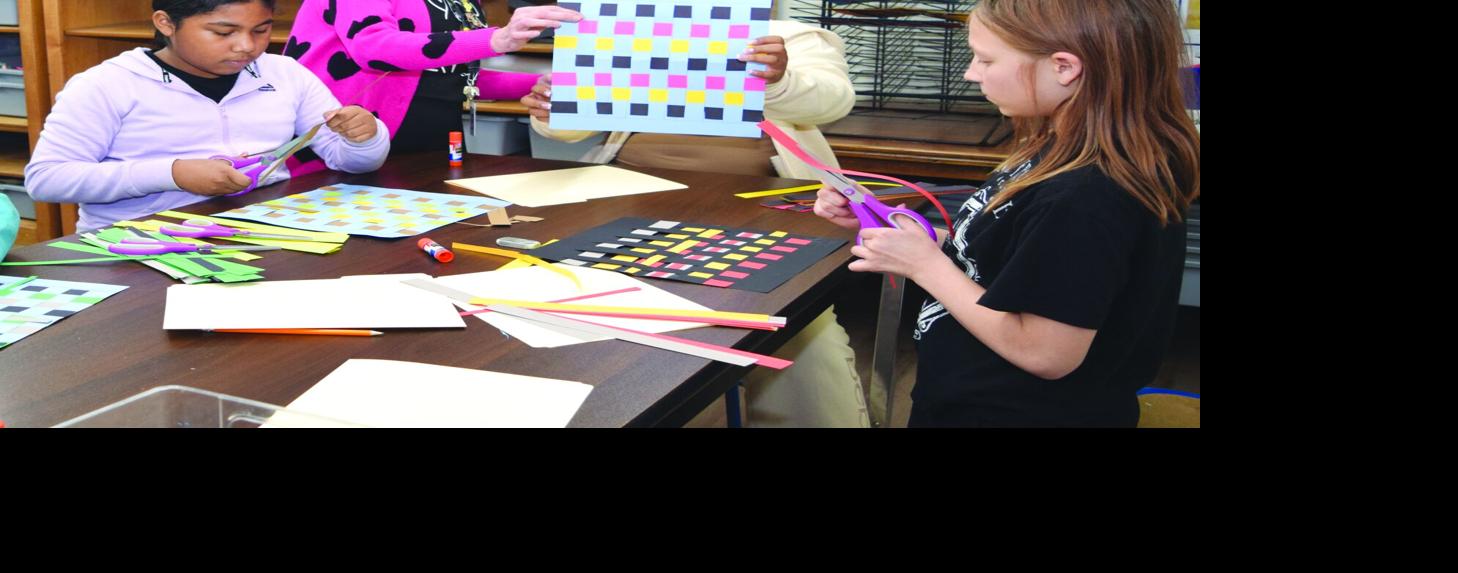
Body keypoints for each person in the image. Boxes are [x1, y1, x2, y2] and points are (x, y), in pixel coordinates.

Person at [812, 0, 1200, 427]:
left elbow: (1045, 352)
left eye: (986, 58)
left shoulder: (1086, 197)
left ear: (1064, 67)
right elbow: (1012, 257)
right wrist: (903, 232)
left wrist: (923, 265)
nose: (970, 72)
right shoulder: (1062, 154)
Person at [525, 11, 869, 427]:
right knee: (595, 312)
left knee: (796, 329)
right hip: (628, 194)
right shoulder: (627, 30)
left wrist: (778, 80)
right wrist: (552, 108)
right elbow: (575, 126)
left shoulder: (793, 35)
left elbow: (833, 101)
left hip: (765, 205)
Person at [25, 1, 388, 234]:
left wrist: (366, 137)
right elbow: (47, 179)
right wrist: (173, 174)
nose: (246, 45)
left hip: (261, 232)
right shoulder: (106, 84)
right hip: (138, 243)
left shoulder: (285, 73)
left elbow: (351, 164)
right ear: (166, 23)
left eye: (260, 30)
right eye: (223, 32)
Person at [284, 0, 581, 161]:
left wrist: (537, 82)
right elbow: (373, 48)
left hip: (433, 142)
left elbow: (454, 74)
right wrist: (497, 38)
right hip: (349, 139)